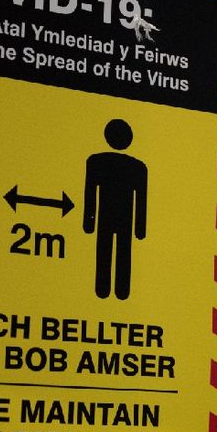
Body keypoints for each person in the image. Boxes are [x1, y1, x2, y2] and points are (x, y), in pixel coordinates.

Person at [83, 119, 147, 300]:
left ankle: (106, 290)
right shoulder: (137, 167)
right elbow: (141, 200)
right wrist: (139, 228)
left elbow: (90, 193)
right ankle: (119, 291)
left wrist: (89, 222)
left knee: (106, 250)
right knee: (122, 252)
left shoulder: (97, 161)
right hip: (123, 218)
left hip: (107, 217)